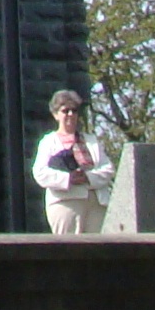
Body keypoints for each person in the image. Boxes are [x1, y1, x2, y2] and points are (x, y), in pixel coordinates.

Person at [34, 90, 113, 236]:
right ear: (56, 114)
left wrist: (87, 177)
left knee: (97, 246)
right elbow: (40, 173)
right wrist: (68, 178)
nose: (70, 114)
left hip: (97, 203)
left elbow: (108, 169)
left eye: (74, 110)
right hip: (66, 202)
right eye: (65, 111)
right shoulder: (49, 142)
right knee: (69, 246)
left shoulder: (91, 141)